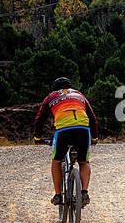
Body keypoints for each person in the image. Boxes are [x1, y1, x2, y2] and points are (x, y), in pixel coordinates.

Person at [33, 77, 98, 206]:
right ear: (70, 86)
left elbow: (40, 118)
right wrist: (94, 137)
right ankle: (84, 192)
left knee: (56, 161)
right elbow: (92, 116)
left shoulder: (51, 96)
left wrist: (37, 137)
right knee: (84, 162)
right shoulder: (79, 94)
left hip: (63, 130)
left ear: (55, 88)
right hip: (83, 129)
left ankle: (57, 195)